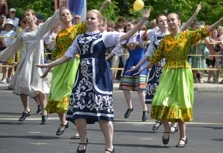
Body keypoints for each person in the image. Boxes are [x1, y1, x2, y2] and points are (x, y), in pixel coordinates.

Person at [37, 8, 151, 153]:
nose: (89, 20)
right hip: (83, 80)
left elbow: (127, 35)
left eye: (92, 18)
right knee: (78, 112)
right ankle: (83, 141)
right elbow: (67, 56)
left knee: (103, 115)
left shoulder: (105, 36)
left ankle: (109, 146)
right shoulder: (79, 38)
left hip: (100, 79)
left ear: (99, 21)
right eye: (88, 18)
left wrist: (142, 20)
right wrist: (49, 65)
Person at [146, 13, 223, 147]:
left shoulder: (187, 35)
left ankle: (183, 137)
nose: (170, 22)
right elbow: (154, 57)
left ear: (179, 22)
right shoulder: (166, 40)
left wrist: (219, 20)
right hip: (168, 72)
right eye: (168, 20)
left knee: (180, 104)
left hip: (182, 72)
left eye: (172, 20)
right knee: (159, 100)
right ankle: (167, 128)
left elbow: (205, 31)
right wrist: (139, 70)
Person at [39, 0, 111, 139]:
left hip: (74, 63)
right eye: (62, 15)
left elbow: (95, 18)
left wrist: (103, 5)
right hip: (60, 64)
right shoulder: (59, 34)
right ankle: (63, 122)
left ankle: (79, 130)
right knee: (56, 94)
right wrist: (48, 68)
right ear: (60, 18)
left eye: (67, 14)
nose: (65, 16)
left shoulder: (77, 29)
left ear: (71, 16)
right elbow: (55, 53)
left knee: (71, 93)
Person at [128, 3, 202, 131]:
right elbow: (148, 54)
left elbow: (187, 25)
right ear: (158, 23)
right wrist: (138, 67)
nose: (164, 22)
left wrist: (195, 13)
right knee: (159, 97)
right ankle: (160, 120)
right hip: (157, 69)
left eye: (165, 20)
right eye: (161, 21)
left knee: (175, 97)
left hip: (171, 68)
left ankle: (174, 124)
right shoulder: (155, 36)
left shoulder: (174, 34)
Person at [0, 5, 62, 125]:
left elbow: (51, 20)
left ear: (34, 17)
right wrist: (2, 57)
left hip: (37, 63)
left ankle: (44, 113)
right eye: (25, 15)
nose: (27, 17)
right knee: (23, 86)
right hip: (25, 63)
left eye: (29, 15)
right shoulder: (23, 34)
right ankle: (26, 109)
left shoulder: (40, 29)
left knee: (40, 89)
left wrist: (60, 8)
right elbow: (12, 47)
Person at [0, 18, 17, 84]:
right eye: (7, 24)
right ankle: (4, 77)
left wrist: (11, 47)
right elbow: (2, 40)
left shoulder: (14, 33)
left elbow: (15, 41)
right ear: (6, 25)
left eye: (10, 25)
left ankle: (8, 77)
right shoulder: (2, 32)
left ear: (12, 26)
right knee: (5, 63)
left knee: (10, 63)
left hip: (12, 48)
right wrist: (6, 46)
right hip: (5, 48)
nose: (8, 26)